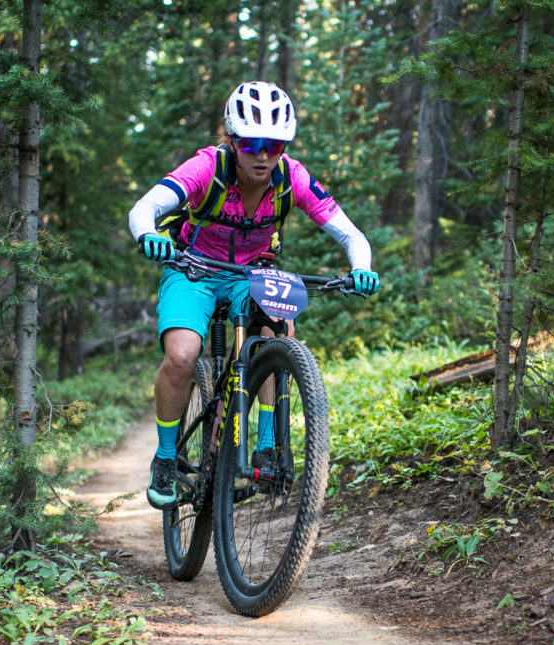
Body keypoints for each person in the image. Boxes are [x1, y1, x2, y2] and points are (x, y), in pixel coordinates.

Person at [128, 81, 380, 510]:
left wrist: (362, 268)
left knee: (277, 329)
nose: (263, 155)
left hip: (253, 272)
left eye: (275, 145)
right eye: (252, 143)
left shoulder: (291, 178)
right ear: (232, 139)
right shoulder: (208, 167)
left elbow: (350, 233)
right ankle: (167, 458)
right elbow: (144, 208)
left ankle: (266, 444)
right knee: (184, 355)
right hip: (193, 269)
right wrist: (149, 235)